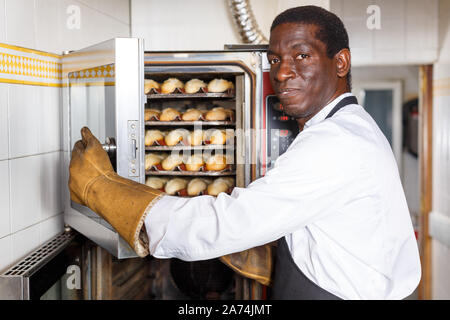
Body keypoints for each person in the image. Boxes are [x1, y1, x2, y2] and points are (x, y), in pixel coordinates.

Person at [68, 6, 421, 300]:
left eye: (301, 55)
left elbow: (224, 224)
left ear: (340, 63)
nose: (282, 71)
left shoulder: (336, 142)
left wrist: (103, 189)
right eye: (275, 59)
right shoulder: (347, 126)